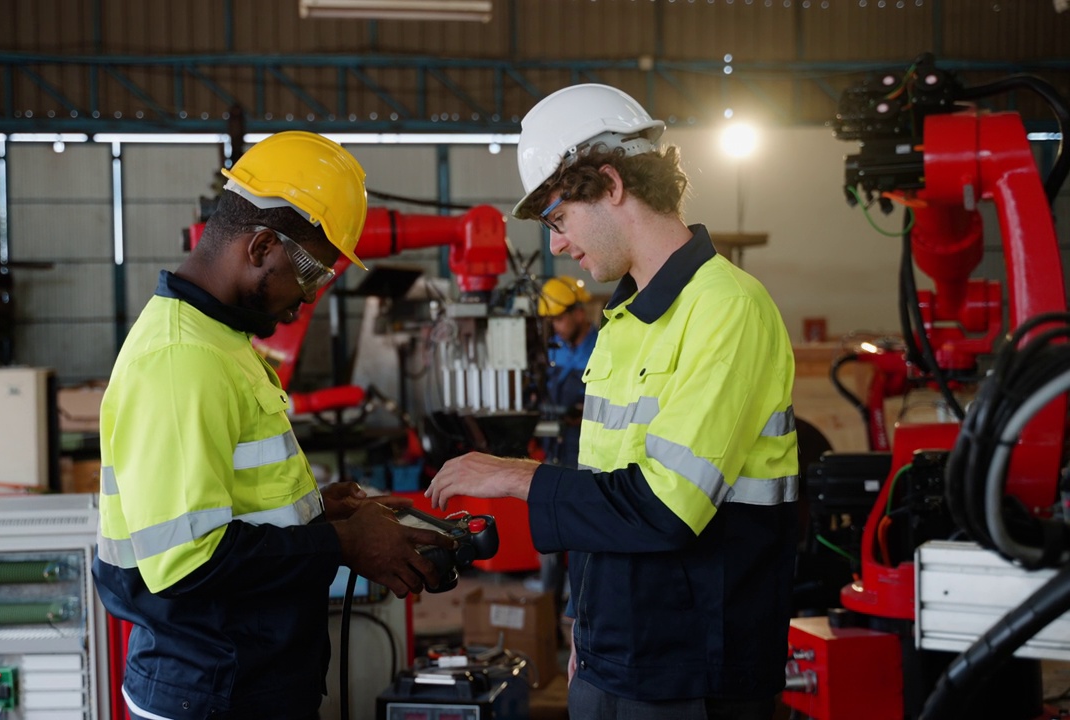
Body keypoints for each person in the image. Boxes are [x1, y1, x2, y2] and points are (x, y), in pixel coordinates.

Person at [427, 84, 798, 720]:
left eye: (557, 219)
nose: (556, 246)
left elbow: (666, 509)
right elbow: (607, 493)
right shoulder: (624, 319)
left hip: (692, 672)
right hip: (615, 656)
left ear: (610, 184)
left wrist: (517, 476)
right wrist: (586, 626)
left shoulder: (727, 308)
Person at [93, 130, 453, 720]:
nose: (308, 297)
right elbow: (187, 559)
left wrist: (318, 512)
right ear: (261, 246)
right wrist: (341, 542)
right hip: (213, 691)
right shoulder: (184, 359)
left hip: (240, 676)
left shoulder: (221, 340)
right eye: (309, 274)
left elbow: (227, 505)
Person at [535, 275, 598, 620]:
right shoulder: (554, 349)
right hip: (554, 450)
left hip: (584, 454)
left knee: (579, 537)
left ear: (577, 313)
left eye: (559, 318)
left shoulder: (601, 348)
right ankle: (545, 618)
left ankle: (580, 615)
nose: (556, 327)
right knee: (548, 537)